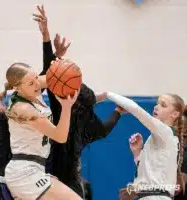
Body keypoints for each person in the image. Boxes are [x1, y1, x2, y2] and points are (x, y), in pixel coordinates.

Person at [33, 5, 124, 198]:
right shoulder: (88, 124)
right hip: (70, 181)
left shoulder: (61, 109)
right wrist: (117, 112)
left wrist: (47, 38)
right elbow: (105, 127)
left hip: (49, 180)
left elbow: (49, 72)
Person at [0, 62, 82, 199]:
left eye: (37, 77)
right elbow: (60, 136)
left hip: (35, 168)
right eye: (31, 83)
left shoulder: (32, 87)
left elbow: (59, 76)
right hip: (24, 173)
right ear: (17, 88)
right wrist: (67, 107)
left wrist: (63, 64)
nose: (37, 84)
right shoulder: (22, 109)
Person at [106, 92, 185, 200]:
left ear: (175, 114)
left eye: (163, 105)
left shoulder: (166, 132)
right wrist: (138, 153)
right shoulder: (159, 137)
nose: (156, 107)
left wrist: (106, 94)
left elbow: (137, 110)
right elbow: (151, 174)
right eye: (157, 103)